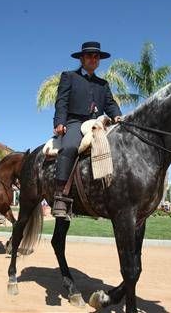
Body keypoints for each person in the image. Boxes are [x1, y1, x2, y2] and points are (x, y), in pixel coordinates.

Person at [52, 41, 122, 218]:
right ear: (82, 58)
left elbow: (110, 104)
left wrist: (118, 115)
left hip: (98, 122)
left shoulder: (103, 84)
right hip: (75, 121)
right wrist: (60, 122)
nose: (93, 59)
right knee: (69, 147)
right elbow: (61, 101)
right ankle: (60, 195)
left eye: (96, 56)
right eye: (89, 55)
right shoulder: (69, 76)